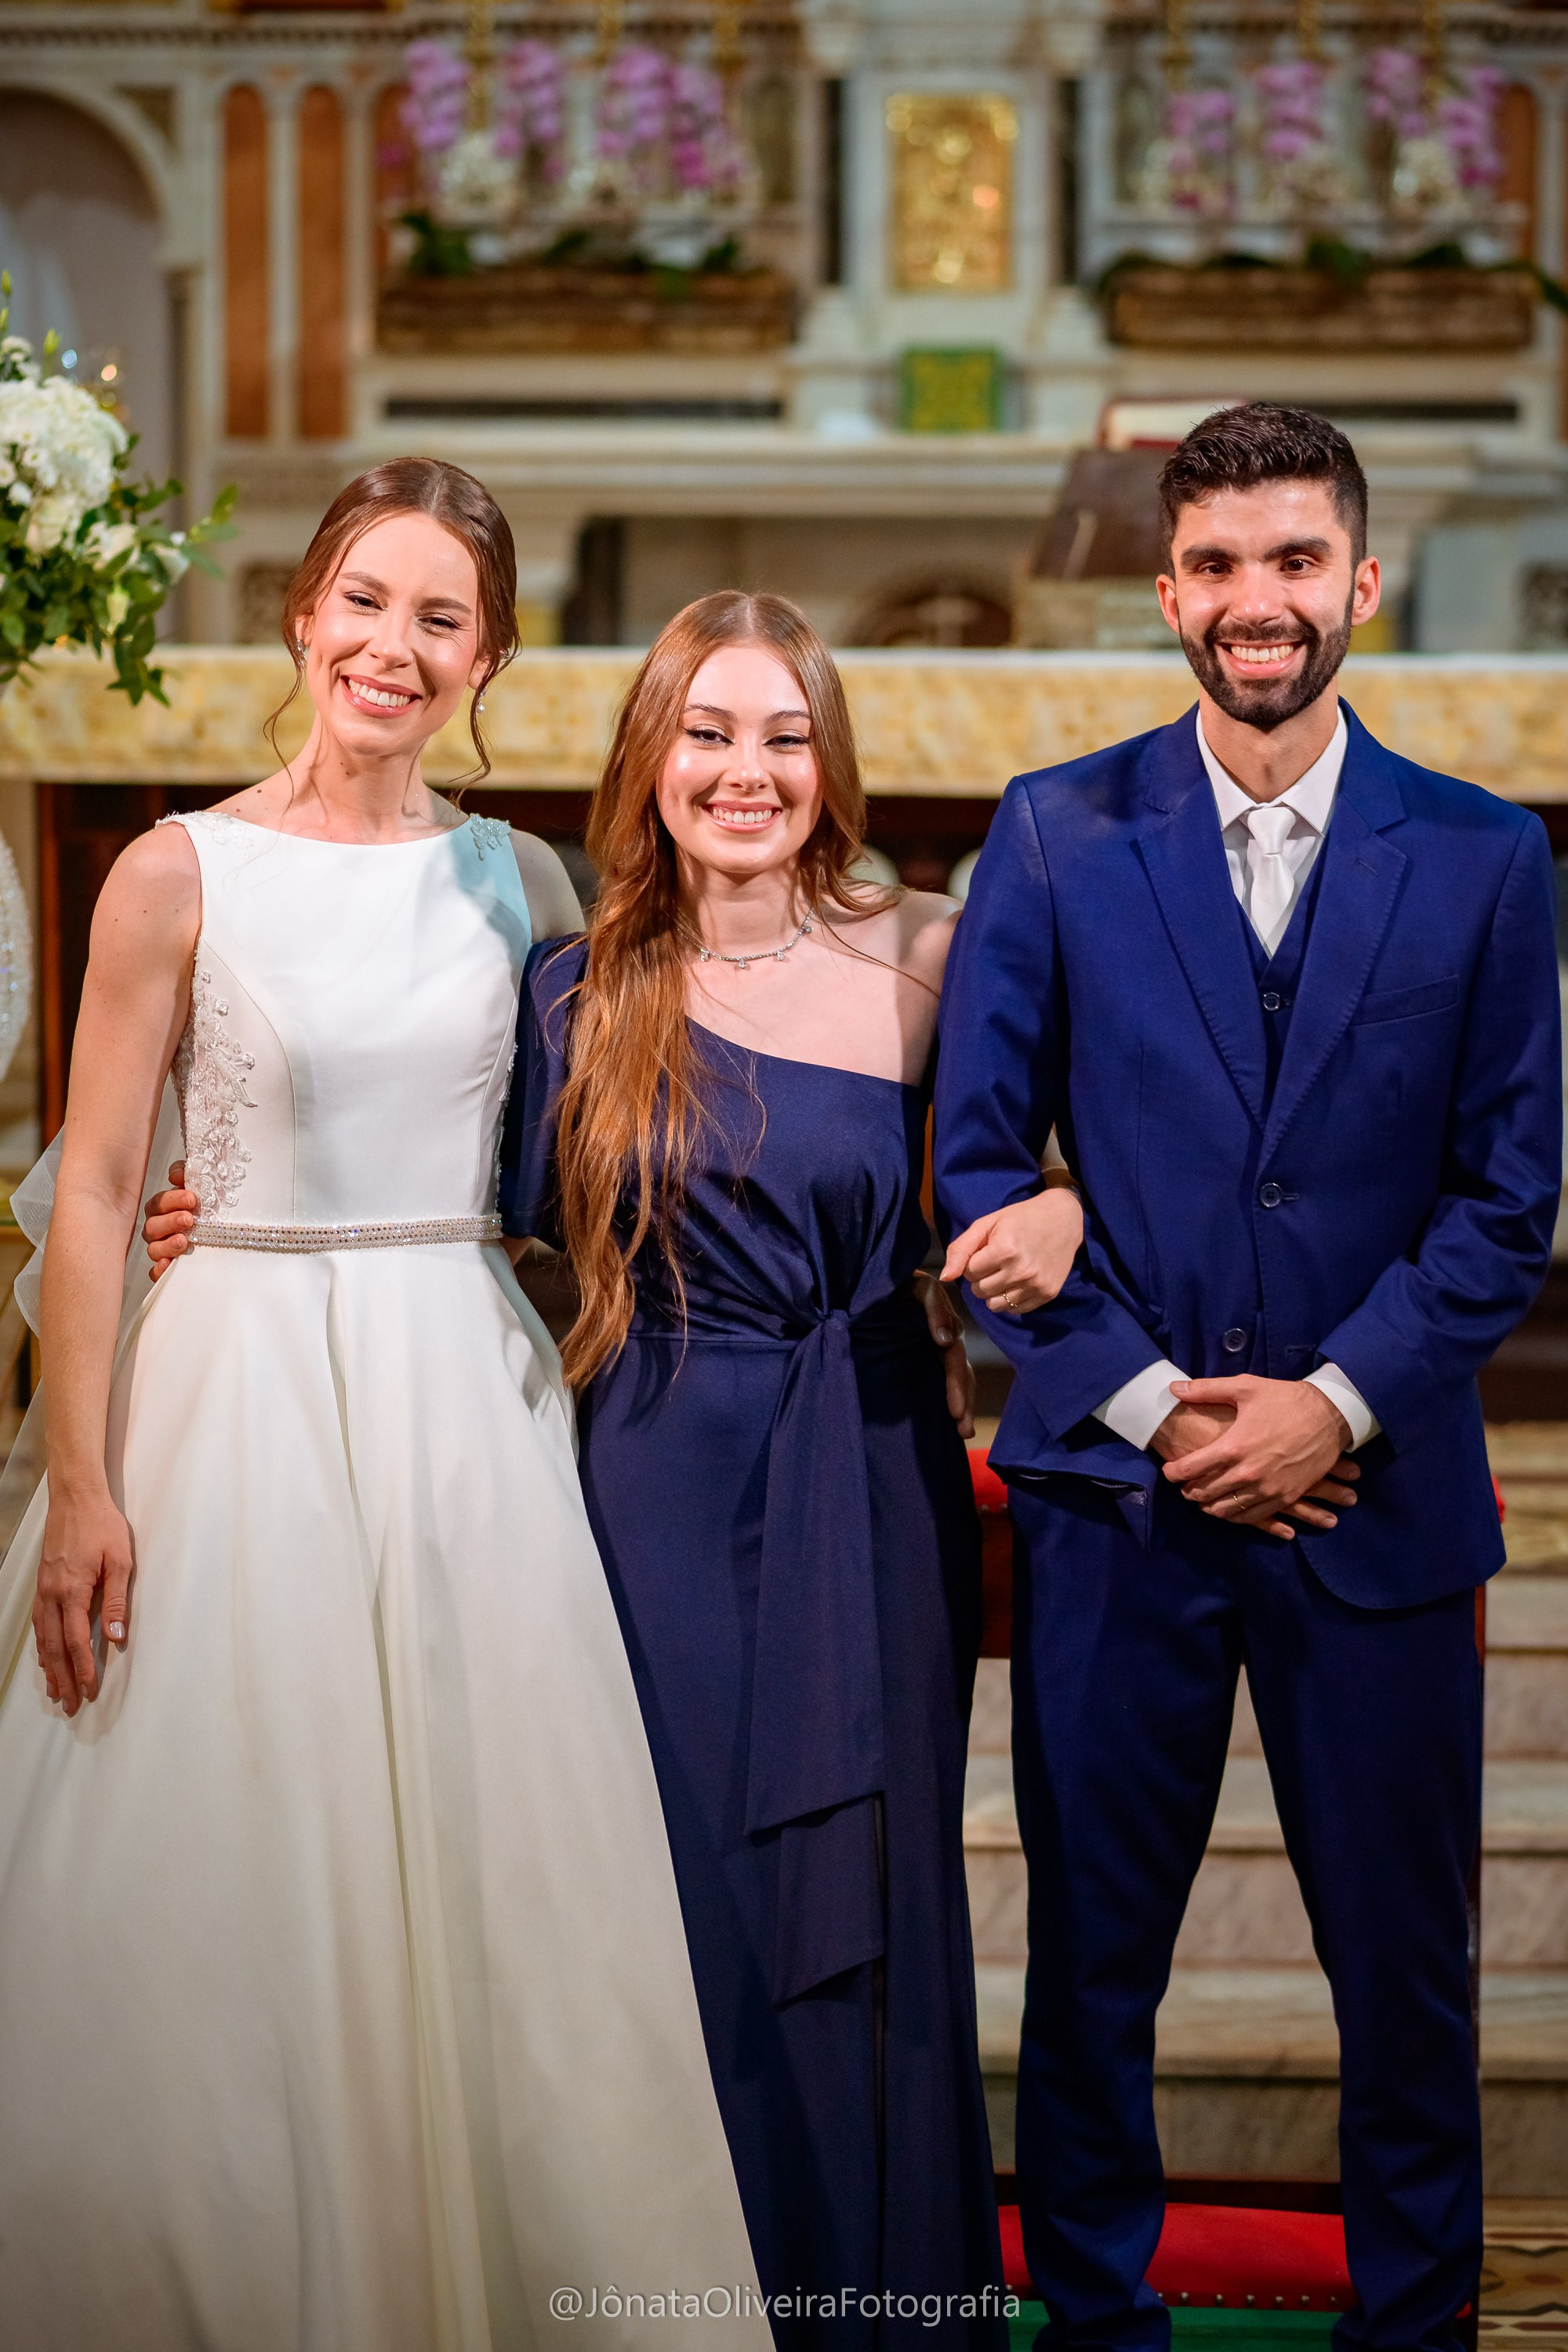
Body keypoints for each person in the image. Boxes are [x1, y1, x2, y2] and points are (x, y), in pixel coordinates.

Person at [0, 459, 771, 2351]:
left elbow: (602, 1116)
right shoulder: (176, 873)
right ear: (303, 615)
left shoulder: (517, 881)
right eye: (365, 601)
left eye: (441, 618)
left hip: (459, 1400)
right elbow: (96, 1188)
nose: (393, 648)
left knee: (504, 1880)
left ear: (489, 654)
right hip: (235, 1392)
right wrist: (84, 1481)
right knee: (230, 1868)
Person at [935, 404, 1563, 2352]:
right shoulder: (1054, 827)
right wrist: (1155, 1405)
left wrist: (1330, 1404)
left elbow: (1504, 1199)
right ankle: (1104, 2329)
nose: (1254, 602)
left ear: (1359, 582)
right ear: (1166, 592)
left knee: (1409, 1974)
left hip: (1376, 1500)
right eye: (1214, 565)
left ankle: (1417, 2328)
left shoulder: (1479, 857)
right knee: (1092, 1973)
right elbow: (973, 1169)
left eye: (1293, 561)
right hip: (1121, 1502)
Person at [496, 592, 1049, 2347]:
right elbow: (487, 1236)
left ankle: (874, 2309)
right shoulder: (574, 987)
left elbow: (1053, 1168)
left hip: (868, 1467)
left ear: (833, 757)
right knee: (675, 1895)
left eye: (782, 734)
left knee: (870, 1899)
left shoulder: (931, 952)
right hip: (647, 1476)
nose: (745, 771)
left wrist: (1067, 1204)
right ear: (650, 754)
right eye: (710, 731)